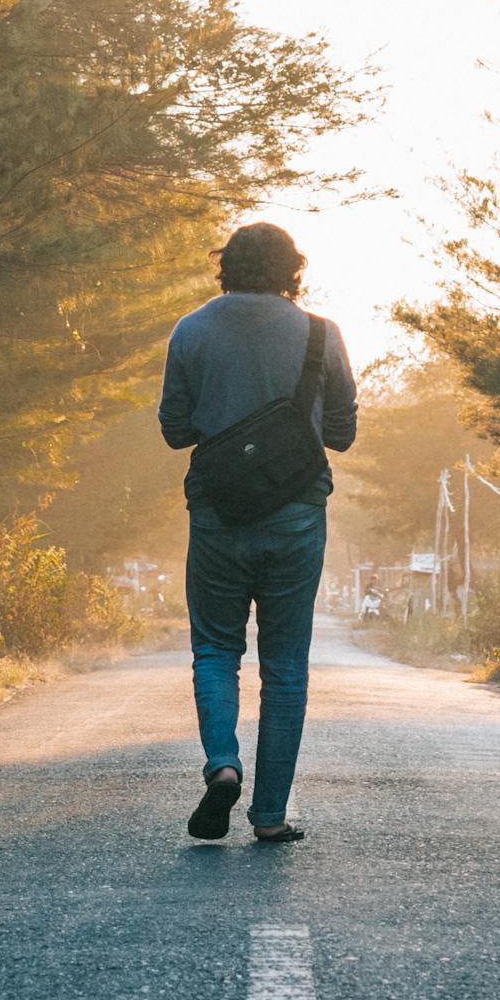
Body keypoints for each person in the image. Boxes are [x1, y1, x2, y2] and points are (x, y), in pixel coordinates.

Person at [156, 220, 357, 843]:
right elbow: (343, 434)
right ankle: (269, 815)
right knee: (286, 664)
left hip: (217, 515)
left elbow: (174, 429)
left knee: (216, 649)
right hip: (297, 515)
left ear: (226, 268)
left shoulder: (190, 330)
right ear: (292, 270)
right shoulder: (322, 335)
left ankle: (223, 764)